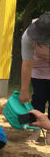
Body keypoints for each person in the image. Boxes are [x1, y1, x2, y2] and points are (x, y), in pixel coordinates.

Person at [19, 12, 50, 144]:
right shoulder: (28, 35)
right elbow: (27, 64)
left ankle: (49, 131)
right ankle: (35, 130)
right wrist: (24, 91)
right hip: (38, 66)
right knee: (38, 98)